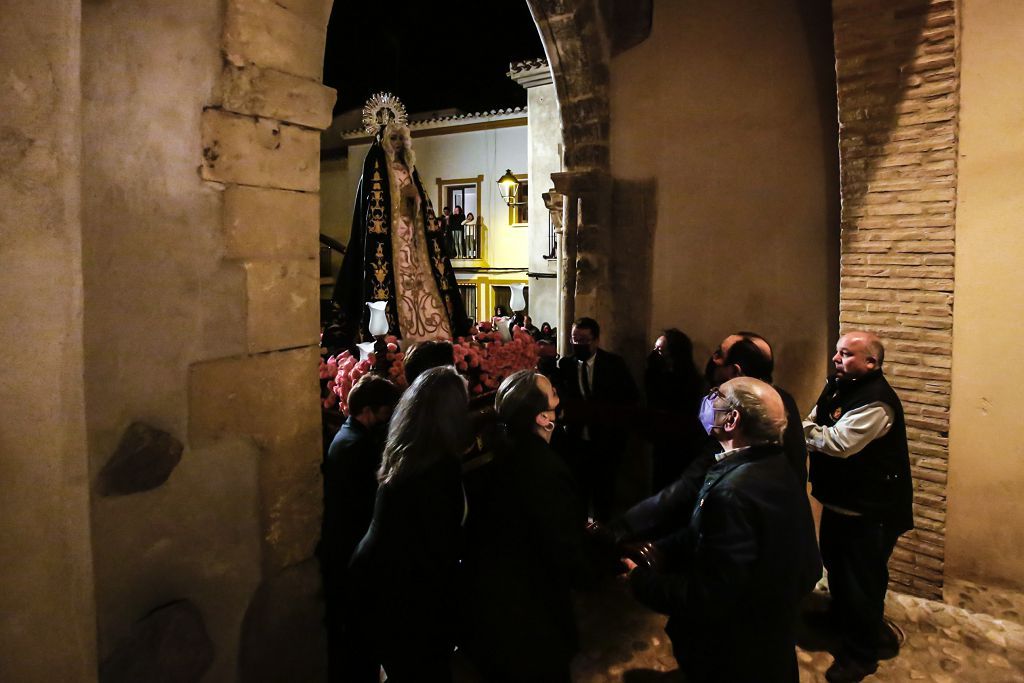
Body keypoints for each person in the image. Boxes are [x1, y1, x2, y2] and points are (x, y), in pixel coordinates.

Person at [625, 377, 821, 683]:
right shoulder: (774, 462)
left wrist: (641, 580)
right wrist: (662, 547)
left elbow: (709, 595)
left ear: (732, 419)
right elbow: (703, 530)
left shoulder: (733, 492)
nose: (709, 398)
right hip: (768, 636)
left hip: (735, 653)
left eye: (717, 395)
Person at [613, 330, 806, 543]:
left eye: (719, 354)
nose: (713, 359)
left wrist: (623, 528)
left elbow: (691, 484)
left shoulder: (737, 426)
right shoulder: (778, 400)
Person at [460, 370, 591, 682]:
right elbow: (562, 546)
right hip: (531, 621)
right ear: (543, 418)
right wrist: (591, 571)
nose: (560, 401)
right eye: (554, 397)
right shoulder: (546, 472)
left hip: (494, 614)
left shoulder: (496, 457)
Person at [347, 367, 471, 682]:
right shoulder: (436, 468)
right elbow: (437, 549)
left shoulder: (409, 447)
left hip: (378, 577)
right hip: (401, 591)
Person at [805, 331, 913, 683]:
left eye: (847, 354)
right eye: (837, 351)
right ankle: (840, 620)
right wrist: (809, 427)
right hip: (843, 504)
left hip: (871, 511)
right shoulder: (839, 385)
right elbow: (815, 419)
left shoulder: (876, 401)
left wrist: (798, 429)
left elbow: (838, 443)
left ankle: (861, 654)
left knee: (862, 584)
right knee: (837, 567)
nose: (837, 358)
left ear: (871, 362)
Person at [331, 117, 469, 345]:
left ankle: (431, 332)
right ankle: (396, 337)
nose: (397, 143)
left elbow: (422, 210)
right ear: (383, 140)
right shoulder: (374, 168)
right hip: (388, 239)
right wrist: (397, 206)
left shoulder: (410, 170)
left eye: (400, 138)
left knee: (421, 283)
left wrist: (414, 200)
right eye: (392, 138)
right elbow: (373, 209)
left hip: (413, 238)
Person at [317, 375, 400, 683]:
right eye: (385, 411)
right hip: (348, 551)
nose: (388, 417)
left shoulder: (350, 436)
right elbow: (365, 502)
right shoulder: (356, 446)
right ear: (369, 410)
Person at [554, 316, 639, 522]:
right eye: (575, 339)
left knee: (604, 492)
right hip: (577, 440)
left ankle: (603, 532)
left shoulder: (613, 364)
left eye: (584, 340)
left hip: (606, 440)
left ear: (596, 340)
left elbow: (631, 397)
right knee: (578, 491)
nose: (578, 345)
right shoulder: (566, 365)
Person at [644, 328, 706, 491]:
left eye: (660, 350)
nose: (656, 354)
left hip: (683, 447)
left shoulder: (691, 382)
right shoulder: (657, 376)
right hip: (662, 444)